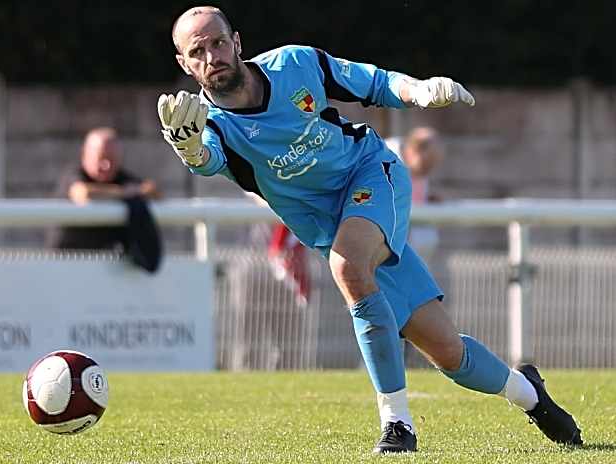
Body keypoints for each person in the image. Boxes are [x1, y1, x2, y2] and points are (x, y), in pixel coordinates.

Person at [159, 6, 582, 453]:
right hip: (329, 225)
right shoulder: (211, 127)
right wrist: (188, 150)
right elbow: (207, 162)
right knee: (448, 353)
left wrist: (417, 90)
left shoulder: (295, 64)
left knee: (348, 265)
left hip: (370, 174)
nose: (212, 55)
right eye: (197, 50)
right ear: (185, 64)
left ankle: (397, 424)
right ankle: (532, 395)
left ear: (238, 42)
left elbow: (375, 83)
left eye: (218, 42)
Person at [46, 127, 164, 273]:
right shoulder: (74, 174)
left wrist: (135, 192)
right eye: (101, 158)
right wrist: (124, 193)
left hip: (102, 271)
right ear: (84, 154)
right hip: (64, 267)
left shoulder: (119, 177)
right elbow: (84, 194)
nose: (106, 166)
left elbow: (154, 192)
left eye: (113, 160)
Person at [387, 127, 445, 263]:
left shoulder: (417, 168)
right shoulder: (387, 160)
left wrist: (428, 197)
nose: (427, 171)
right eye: (426, 165)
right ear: (411, 152)